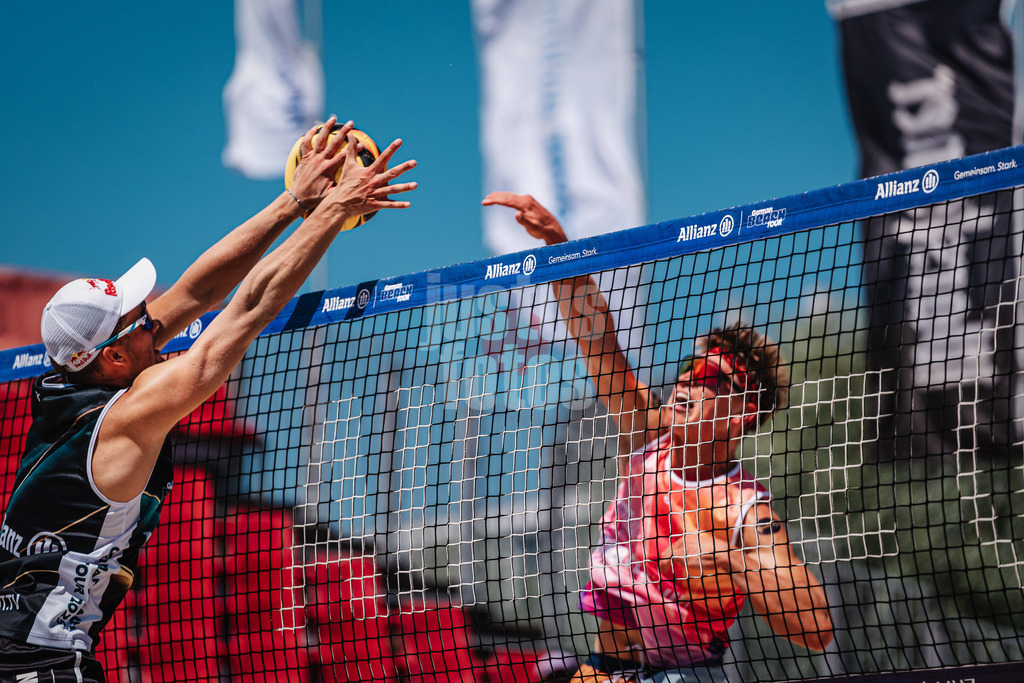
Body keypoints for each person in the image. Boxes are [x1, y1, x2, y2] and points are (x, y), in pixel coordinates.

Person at [0, 116, 416, 683]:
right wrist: (334, 210)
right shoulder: (124, 417)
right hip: (41, 668)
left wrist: (294, 201)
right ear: (114, 357)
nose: (155, 319)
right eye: (141, 321)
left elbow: (198, 292)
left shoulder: (66, 385)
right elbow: (246, 311)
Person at [482, 192, 834, 682]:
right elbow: (598, 343)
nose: (686, 378)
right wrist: (559, 249)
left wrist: (726, 559)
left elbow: (817, 629)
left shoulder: (746, 511)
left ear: (742, 413)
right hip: (607, 669)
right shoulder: (648, 434)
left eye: (709, 376)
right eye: (690, 367)